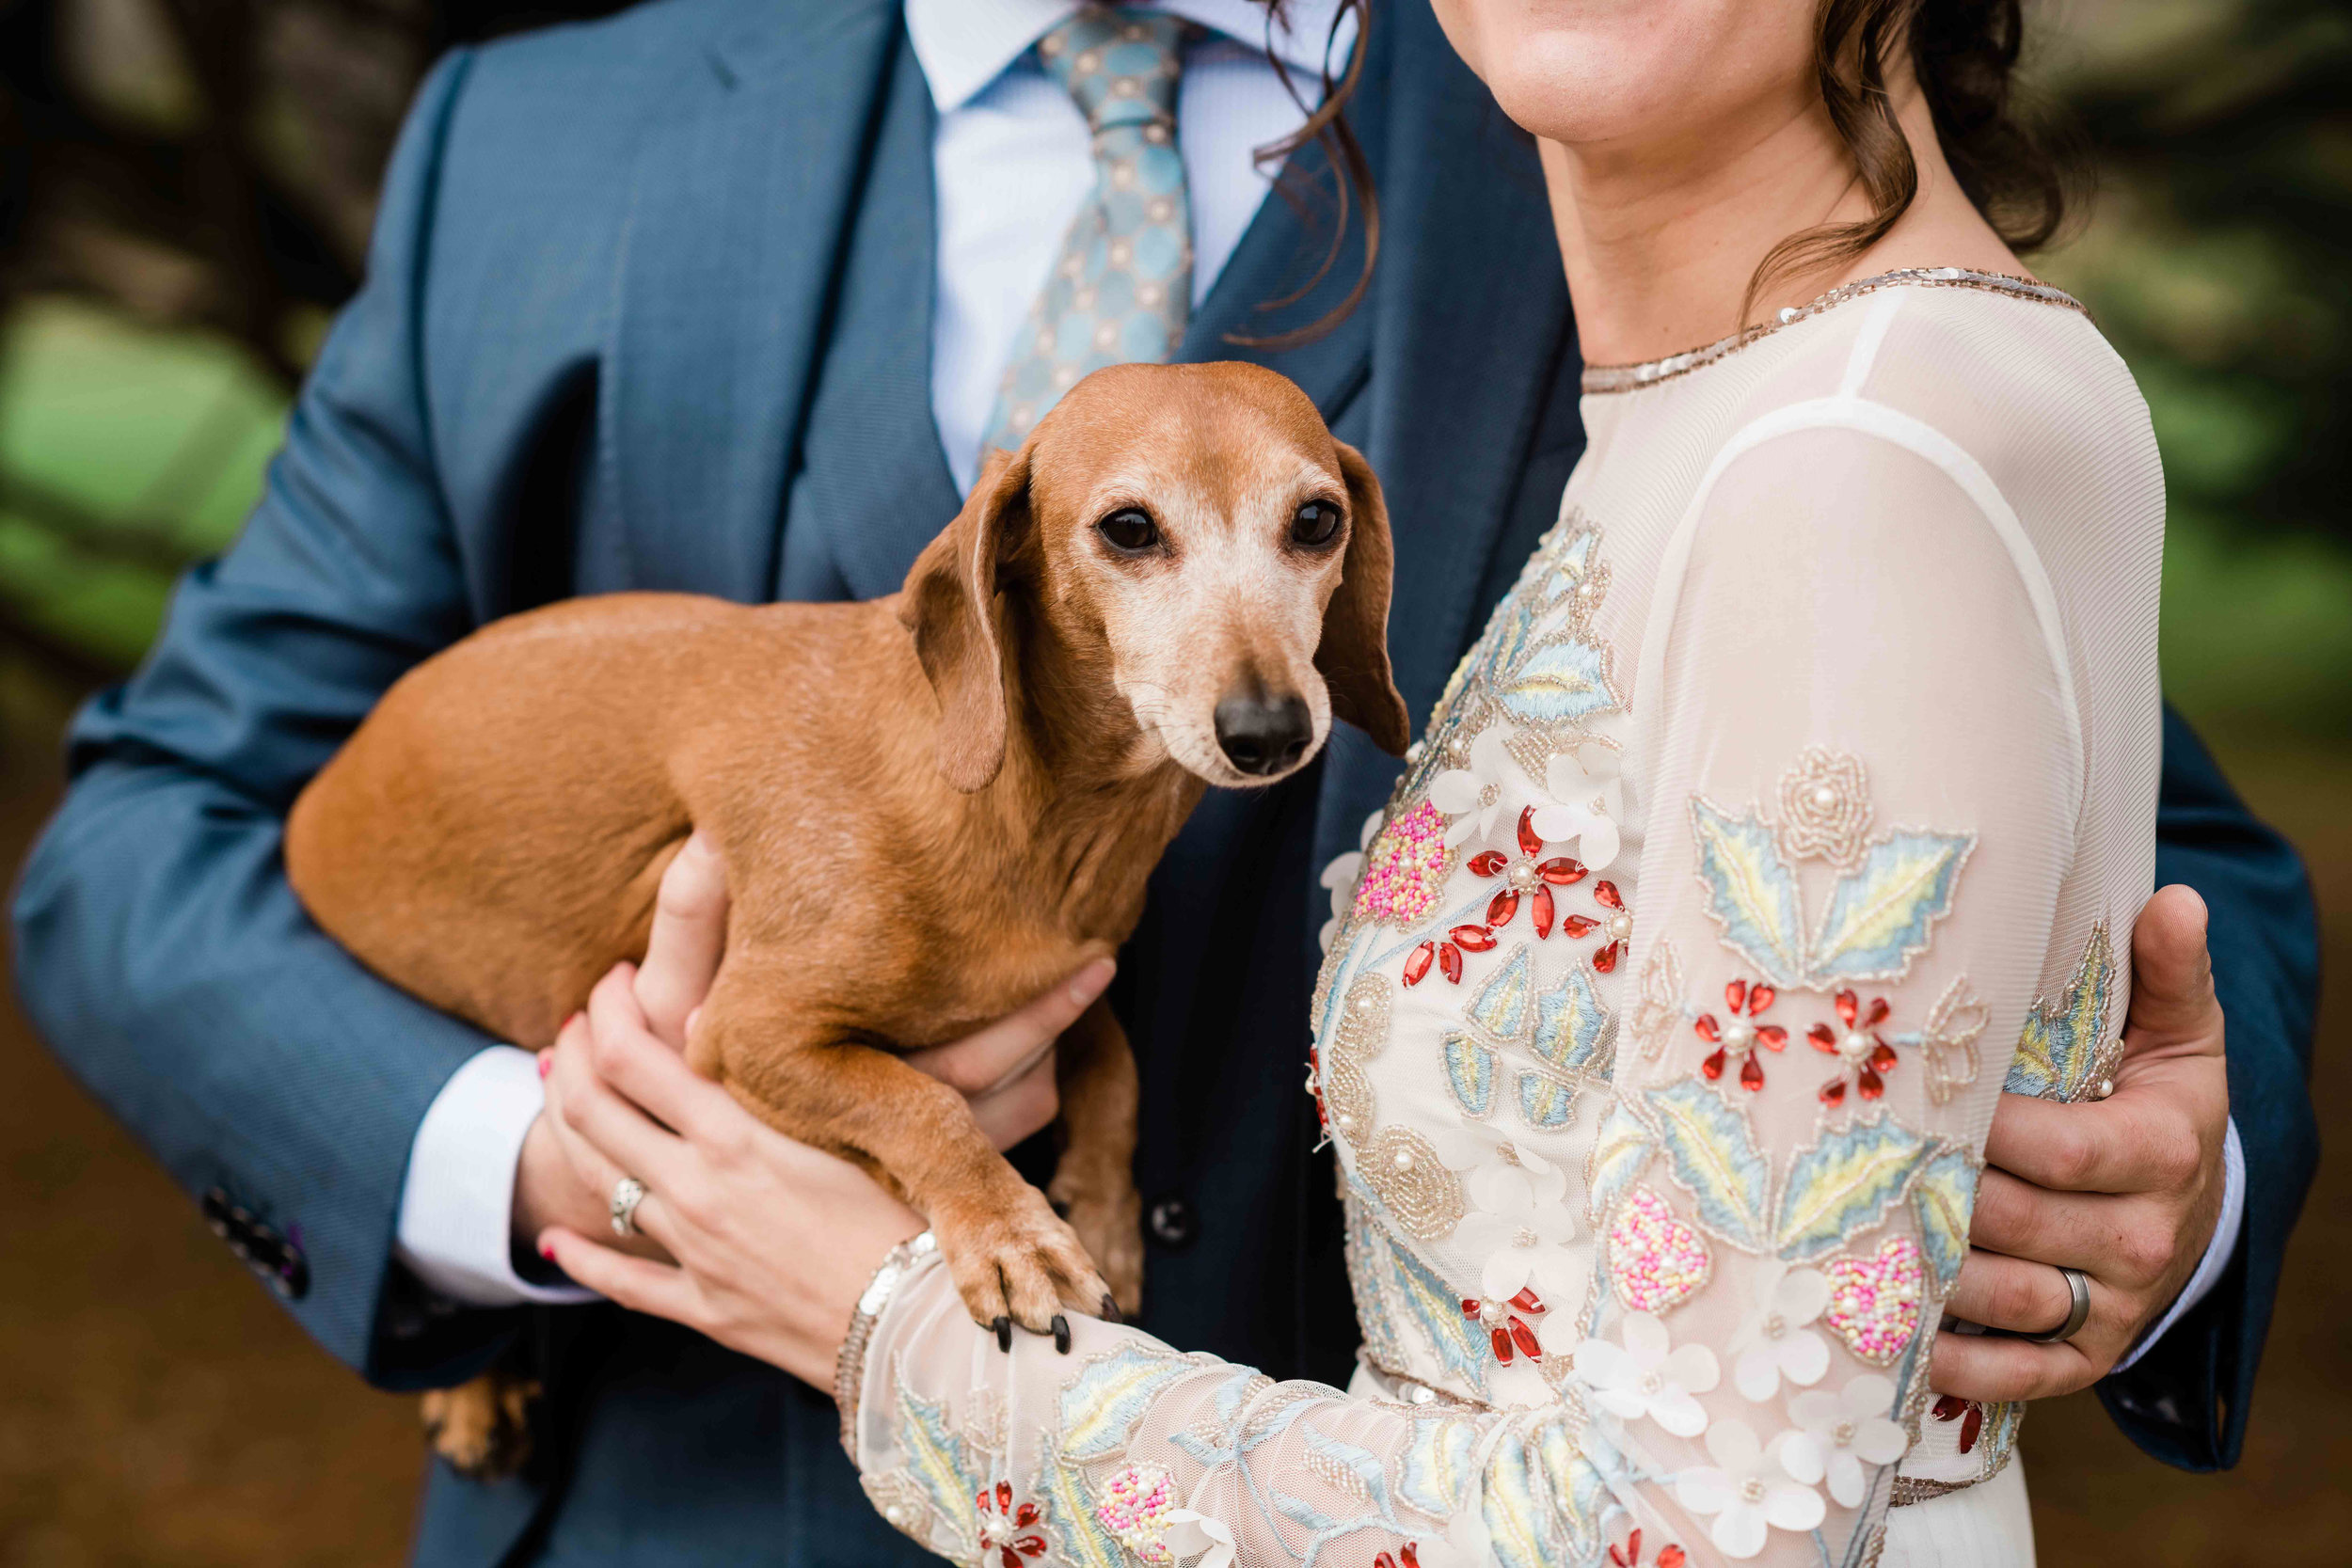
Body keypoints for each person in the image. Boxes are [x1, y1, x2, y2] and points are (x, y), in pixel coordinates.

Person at [8, 1, 2314, 1564]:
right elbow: (144, 846)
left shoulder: (1620, 76)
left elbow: (2118, 819)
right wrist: (538, 1162)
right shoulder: (539, 141)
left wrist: (2162, 1186)